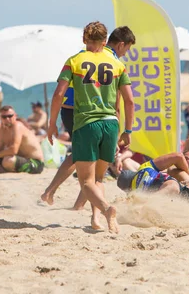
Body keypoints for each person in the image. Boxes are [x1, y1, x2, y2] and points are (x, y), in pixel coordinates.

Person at [46, 21, 134, 233]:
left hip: (87, 123)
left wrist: (51, 124)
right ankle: (95, 220)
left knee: (86, 181)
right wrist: (128, 131)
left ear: (84, 40)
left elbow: (58, 95)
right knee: (99, 178)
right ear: (105, 41)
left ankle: (105, 209)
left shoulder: (74, 61)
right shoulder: (117, 64)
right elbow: (129, 101)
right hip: (111, 124)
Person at [0, 105, 45, 174]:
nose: (7, 119)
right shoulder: (2, 128)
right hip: (18, 158)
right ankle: (0, 172)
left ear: (15, 116)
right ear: (0, 118)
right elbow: (0, 148)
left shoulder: (17, 126)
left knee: (8, 161)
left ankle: (5, 170)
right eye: (4, 117)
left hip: (36, 162)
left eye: (10, 116)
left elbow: (13, 150)